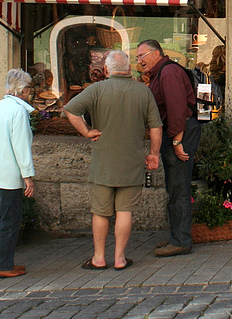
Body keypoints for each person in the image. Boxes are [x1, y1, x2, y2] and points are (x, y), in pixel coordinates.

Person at [65, 50, 162, 270]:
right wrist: (154, 154)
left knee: (100, 211)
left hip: (103, 162)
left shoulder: (97, 89)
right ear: (128, 69)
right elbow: (156, 127)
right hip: (132, 161)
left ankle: (99, 257)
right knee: (124, 211)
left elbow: (70, 110)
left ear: (107, 70)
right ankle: (120, 258)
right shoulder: (142, 91)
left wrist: (86, 132)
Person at [136, 39, 201, 257]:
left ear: (156, 54)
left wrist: (176, 141)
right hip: (176, 133)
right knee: (174, 186)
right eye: (137, 57)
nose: (139, 61)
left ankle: (181, 240)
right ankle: (177, 235)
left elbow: (177, 109)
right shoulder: (161, 73)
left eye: (142, 55)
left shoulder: (169, 72)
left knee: (179, 186)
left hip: (179, 134)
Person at [0, 68, 36, 279]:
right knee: (10, 221)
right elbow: (21, 146)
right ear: (24, 89)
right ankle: (2, 265)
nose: (30, 92)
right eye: (29, 88)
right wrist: (27, 176)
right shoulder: (18, 111)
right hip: (8, 175)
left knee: (0, 220)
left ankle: (3, 261)